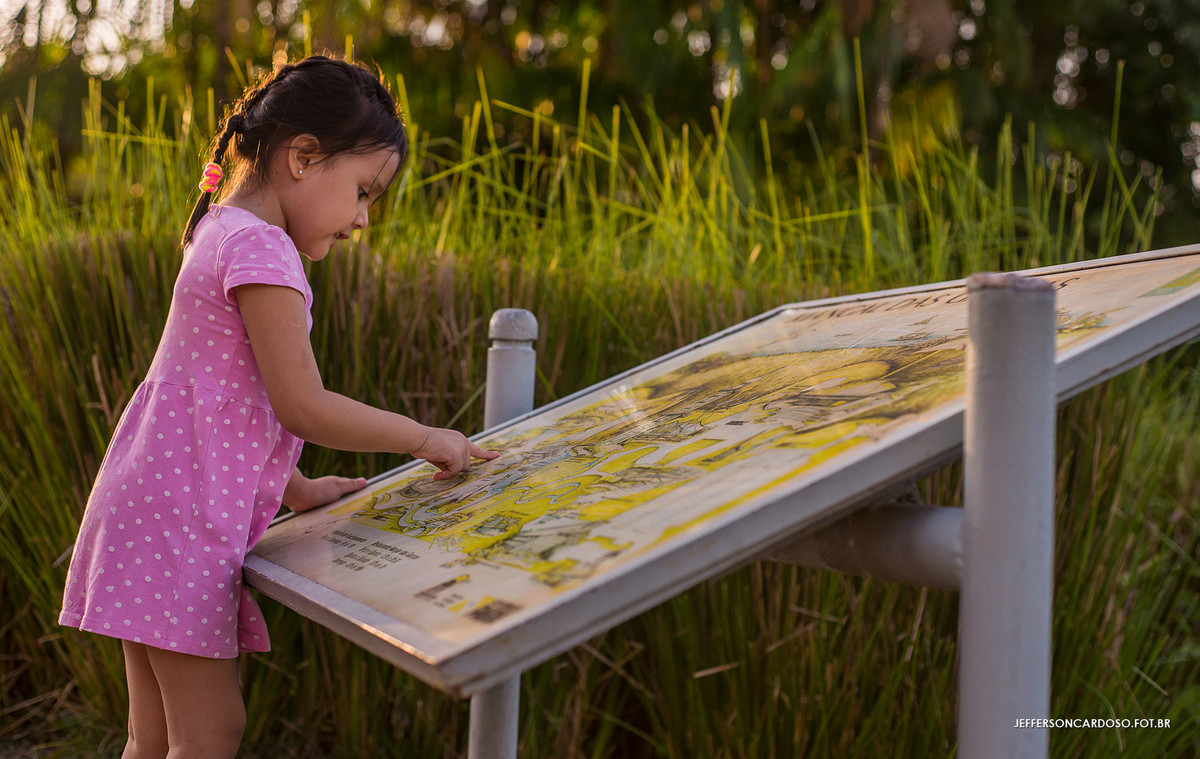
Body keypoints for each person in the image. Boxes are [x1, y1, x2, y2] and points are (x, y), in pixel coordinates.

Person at [59, 54, 497, 758]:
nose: (361, 220)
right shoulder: (263, 251)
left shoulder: (220, 230)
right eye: (362, 192)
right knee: (210, 733)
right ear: (303, 157)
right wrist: (424, 437)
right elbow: (302, 404)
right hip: (179, 521)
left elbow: (224, 401)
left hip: (146, 503)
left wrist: (295, 487)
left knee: (154, 736)